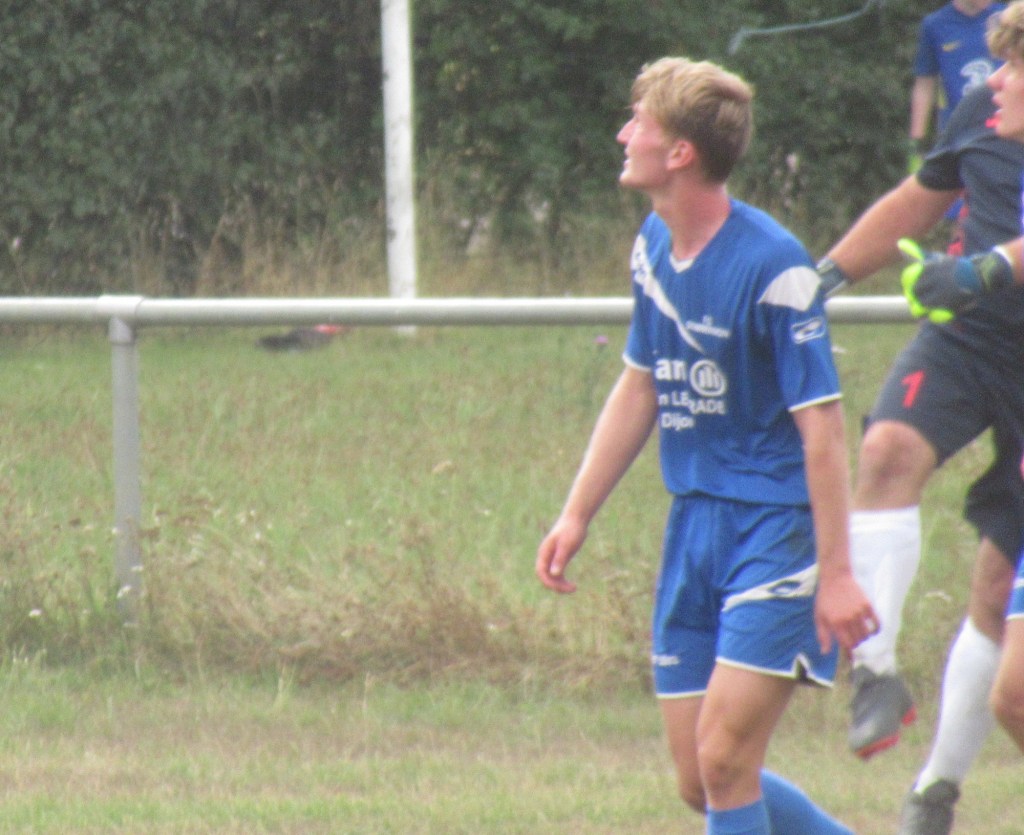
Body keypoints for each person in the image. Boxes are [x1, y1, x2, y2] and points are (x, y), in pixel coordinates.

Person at [535, 56, 876, 835]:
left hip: (775, 530)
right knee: (703, 776)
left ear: (681, 152)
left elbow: (823, 428)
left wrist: (836, 572)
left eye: (640, 123)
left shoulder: (775, 266)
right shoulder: (653, 245)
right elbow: (641, 384)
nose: (624, 134)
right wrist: (575, 513)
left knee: (725, 759)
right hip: (695, 525)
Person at [819, 58, 1024, 833]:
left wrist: (984, 268)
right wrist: (823, 278)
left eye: (1014, 63)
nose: (994, 78)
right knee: (886, 451)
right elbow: (919, 198)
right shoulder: (984, 109)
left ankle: (936, 785)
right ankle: (875, 674)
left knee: (996, 583)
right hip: (971, 339)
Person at [909, 0, 1005, 169]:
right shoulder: (935, 25)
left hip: (1001, 131)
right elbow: (924, 84)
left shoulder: (1006, 19)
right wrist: (917, 142)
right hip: (958, 136)